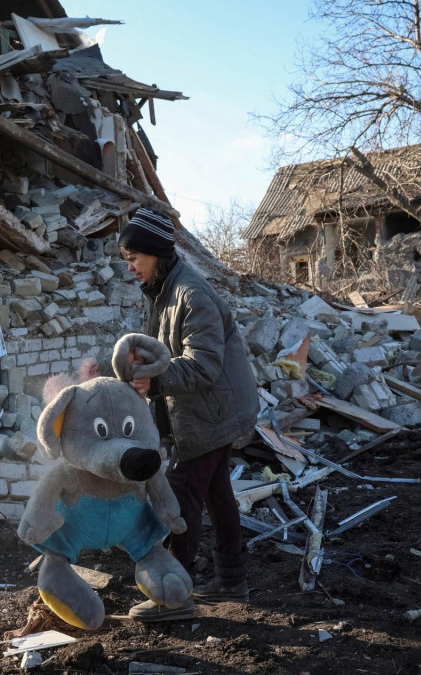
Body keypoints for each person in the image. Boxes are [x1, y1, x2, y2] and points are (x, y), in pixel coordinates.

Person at [115, 207, 260, 623]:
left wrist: (154, 381)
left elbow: (203, 364)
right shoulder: (166, 289)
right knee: (216, 492)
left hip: (213, 411)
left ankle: (173, 594)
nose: (131, 267)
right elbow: (173, 350)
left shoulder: (190, 294)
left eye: (135, 258)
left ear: (157, 254)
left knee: (179, 496)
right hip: (209, 409)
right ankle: (232, 580)